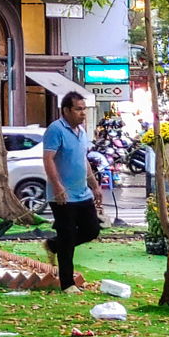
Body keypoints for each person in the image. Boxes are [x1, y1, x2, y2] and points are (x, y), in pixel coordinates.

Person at [42, 91, 103, 294]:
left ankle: (53, 244)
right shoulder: (55, 130)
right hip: (62, 196)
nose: (83, 113)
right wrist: (58, 186)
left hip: (82, 193)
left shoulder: (82, 132)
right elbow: (48, 159)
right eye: (78, 109)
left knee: (92, 229)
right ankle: (67, 284)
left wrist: (94, 185)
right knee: (67, 236)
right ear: (66, 110)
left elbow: (83, 159)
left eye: (84, 109)